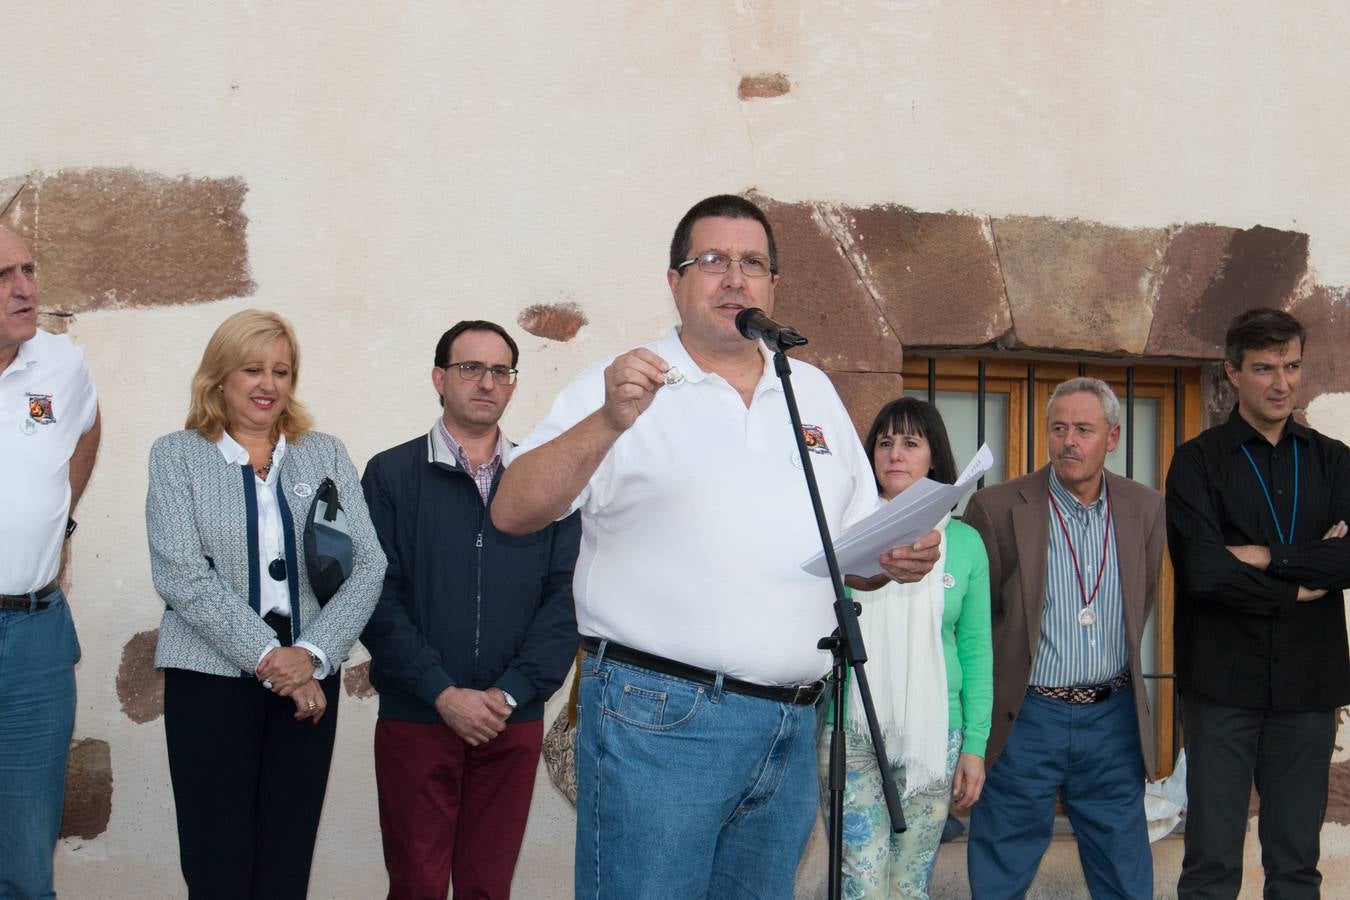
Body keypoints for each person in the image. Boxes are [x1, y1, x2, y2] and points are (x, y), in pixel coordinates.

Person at [491, 194, 941, 899]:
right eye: (713, 261)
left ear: (773, 286)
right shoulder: (625, 382)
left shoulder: (811, 390)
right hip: (658, 722)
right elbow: (514, 508)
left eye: (752, 263)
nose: (735, 278)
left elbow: (851, 548)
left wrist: (889, 560)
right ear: (675, 282)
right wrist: (609, 421)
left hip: (792, 725)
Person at [145, 309, 385, 899]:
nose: (268, 385)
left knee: (285, 863)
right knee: (216, 864)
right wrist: (274, 660)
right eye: (252, 369)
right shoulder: (177, 456)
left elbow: (369, 563)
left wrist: (313, 655)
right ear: (219, 377)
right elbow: (182, 574)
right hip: (210, 683)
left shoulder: (324, 453)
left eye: (281, 371)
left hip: (309, 684)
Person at [360, 320, 580, 900]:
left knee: (488, 888)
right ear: (439, 378)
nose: (486, 382)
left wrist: (509, 693)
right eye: (470, 368)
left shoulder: (547, 478)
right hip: (417, 716)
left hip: (511, 718)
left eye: (500, 371)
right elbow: (374, 597)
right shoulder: (390, 474)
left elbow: (565, 600)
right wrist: (440, 691)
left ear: (512, 384)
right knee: (416, 887)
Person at [1168, 307, 1350, 899]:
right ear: (1232, 372)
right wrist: (1302, 579)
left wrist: (1266, 557)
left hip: (1309, 688)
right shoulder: (1197, 461)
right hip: (1221, 685)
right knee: (1211, 864)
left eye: (1292, 366)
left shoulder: (1335, 461)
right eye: (1265, 368)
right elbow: (1203, 571)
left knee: (1297, 866)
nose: (1282, 383)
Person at [963, 377, 1165, 900]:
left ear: (1113, 438)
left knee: (1125, 874)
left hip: (1111, 719)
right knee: (1000, 870)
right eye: (1058, 429)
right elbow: (979, 622)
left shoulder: (1145, 508)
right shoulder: (999, 508)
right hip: (1027, 718)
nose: (1069, 441)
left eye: (1083, 429)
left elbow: (1138, 602)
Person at [828, 398, 992, 899]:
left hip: (935, 735)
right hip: (853, 728)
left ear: (934, 459)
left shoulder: (964, 544)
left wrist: (975, 746)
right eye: (884, 442)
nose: (895, 453)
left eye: (910, 442)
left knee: (909, 885)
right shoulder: (845, 532)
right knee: (862, 881)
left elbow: (977, 652)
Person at [0, 225, 101, 899]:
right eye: (4, 275)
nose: (26, 287)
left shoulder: (60, 364)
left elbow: (88, 427)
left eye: (29, 268)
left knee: (26, 866)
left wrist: (60, 522)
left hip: (34, 641)